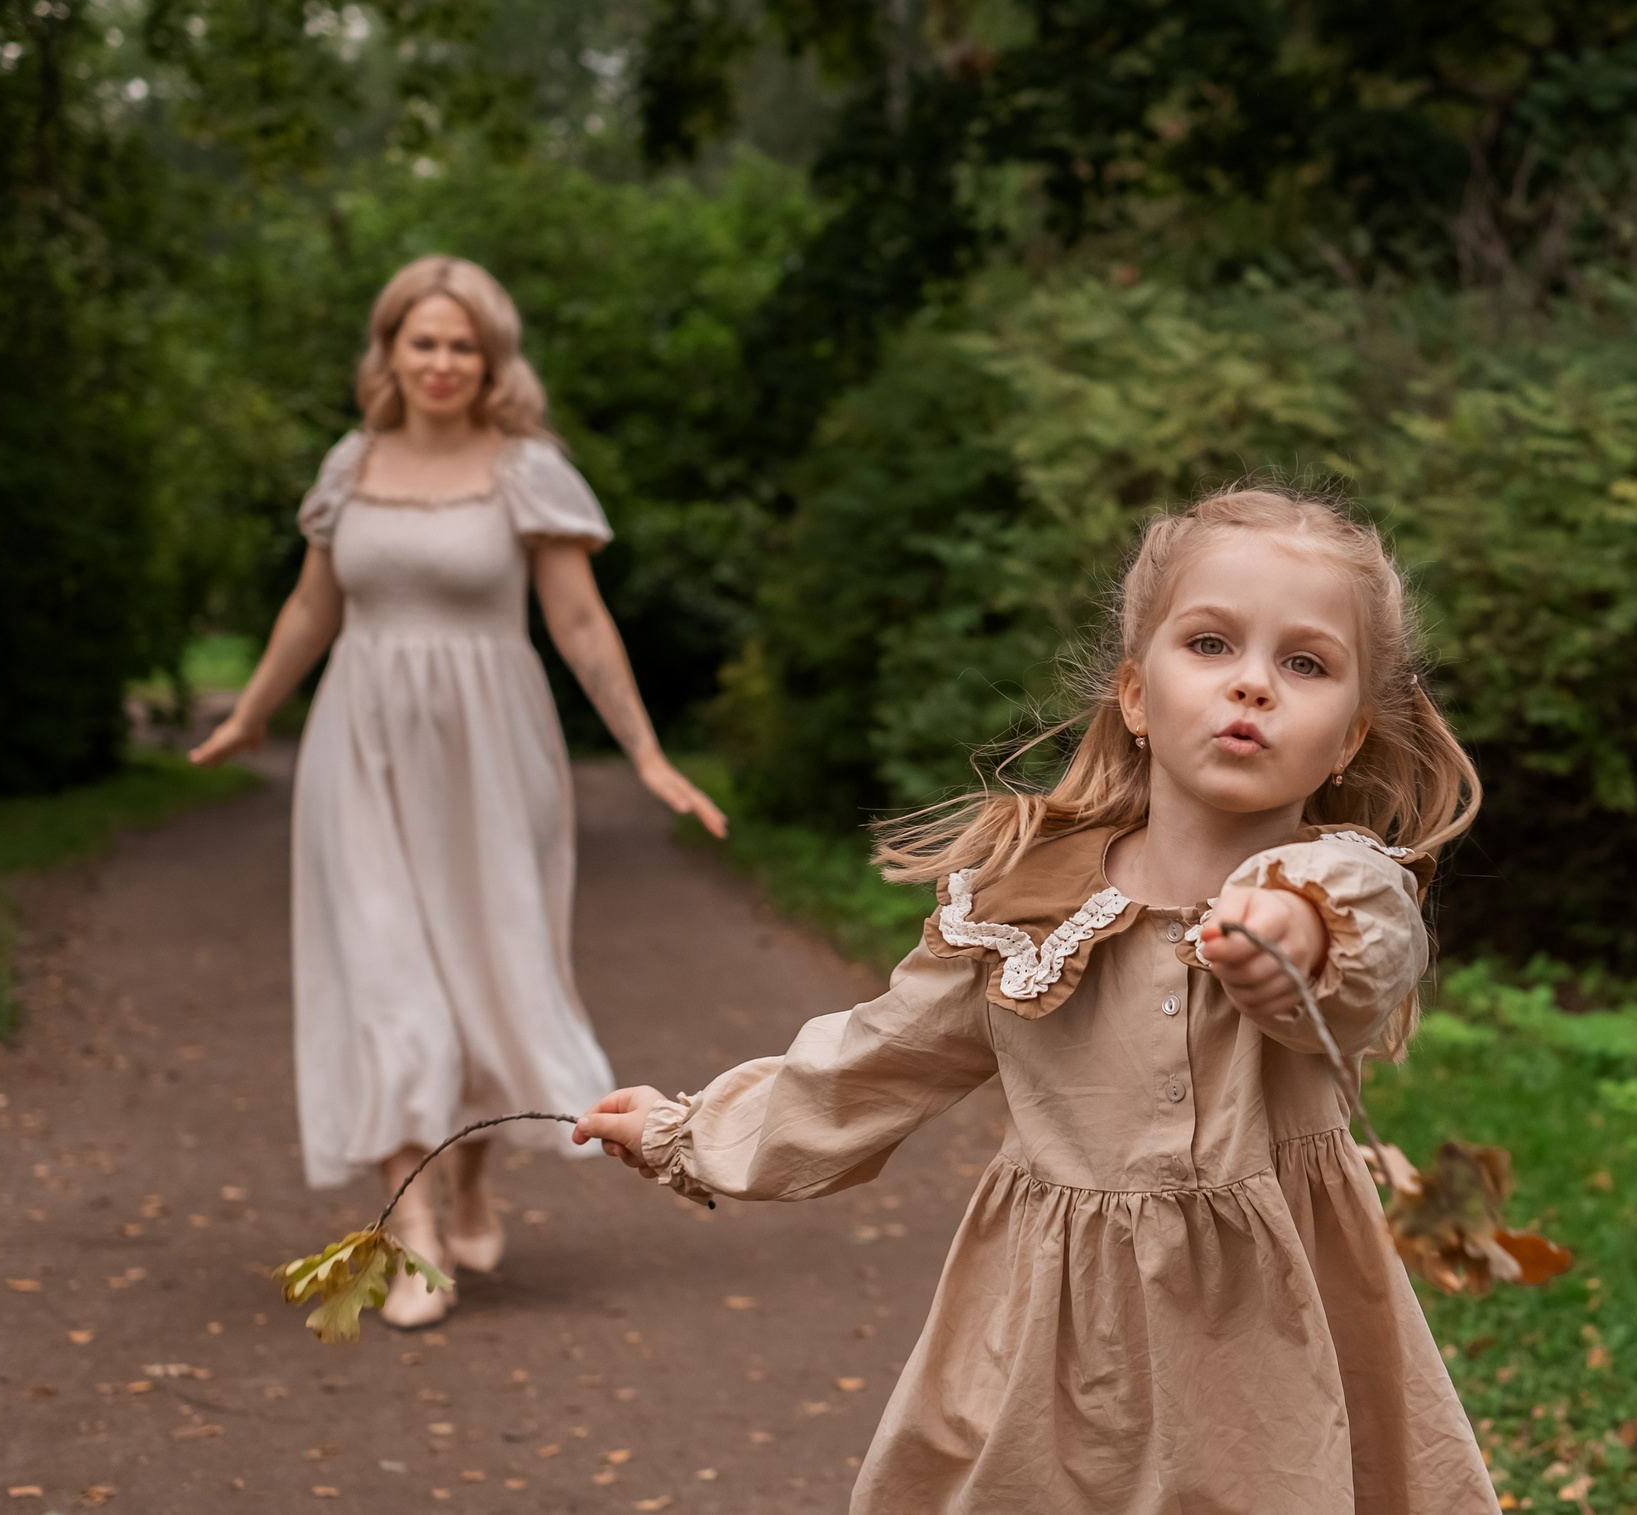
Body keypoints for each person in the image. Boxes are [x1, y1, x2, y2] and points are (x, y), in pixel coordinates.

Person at [575, 485, 1496, 1513]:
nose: (1252, 686)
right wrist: (687, 1133)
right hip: (1059, 1339)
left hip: (1271, 1337)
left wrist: (1295, 928)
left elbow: (1371, 951)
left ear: (1351, 738)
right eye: (1210, 645)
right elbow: (873, 1065)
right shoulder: (1026, 903)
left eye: (1305, 664)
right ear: (1136, 696)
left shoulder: (1337, 879)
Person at [191, 254, 725, 1330]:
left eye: (462, 344)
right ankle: (413, 1227)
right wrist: (251, 712)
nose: (441, 362)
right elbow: (310, 611)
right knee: (389, 972)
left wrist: (647, 751)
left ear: (492, 359)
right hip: (362, 748)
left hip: (491, 755)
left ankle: (471, 1172)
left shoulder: (525, 469)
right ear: (387, 351)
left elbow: (578, 623)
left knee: (490, 971)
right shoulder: (351, 465)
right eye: (421, 341)